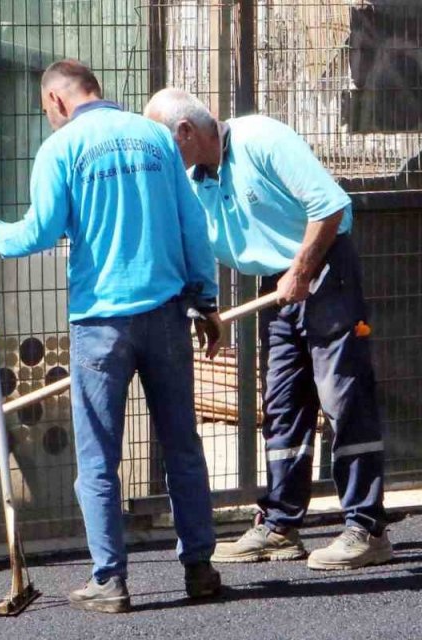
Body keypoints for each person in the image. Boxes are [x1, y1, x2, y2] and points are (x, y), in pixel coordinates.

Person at [0, 60, 223, 613]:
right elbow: (192, 224)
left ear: (56, 102)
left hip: (101, 325)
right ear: (95, 91)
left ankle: (111, 580)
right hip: (168, 313)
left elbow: (38, 232)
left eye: (46, 111)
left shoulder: (61, 150)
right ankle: (199, 568)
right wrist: (206, 300)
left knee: (99, 458)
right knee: (183, 445)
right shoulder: (156, 137)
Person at [144, 89, 392, 570]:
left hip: (324, 270)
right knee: (282, 404)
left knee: (344, 397)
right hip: (277, 288)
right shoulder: (195, 182)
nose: (160, 156)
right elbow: (195, 247)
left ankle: (367, 527)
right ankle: (280, 524)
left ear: (186, 133)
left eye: (162, 143)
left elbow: (329, 206)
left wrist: (302, 270)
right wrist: (205, 308)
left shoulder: (262, 139)